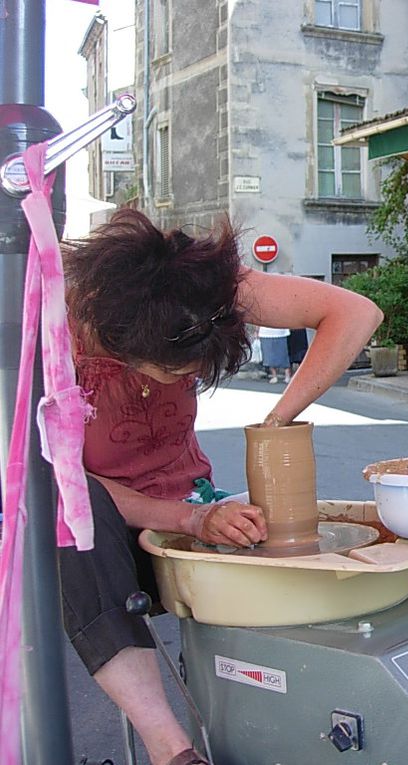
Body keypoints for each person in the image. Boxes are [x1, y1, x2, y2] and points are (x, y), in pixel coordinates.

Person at [60, 209, 382, 765]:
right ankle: (173, 750)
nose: (184, 382)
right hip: (96, 528)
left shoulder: (203, 287)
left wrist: (276, 424)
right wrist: (183, 520)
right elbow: (56, 479)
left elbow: (354, 312)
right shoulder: (48, 326)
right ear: (122, 342)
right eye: (173, 373)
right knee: (72, 512)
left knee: (291, 561)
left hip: (193, 507)